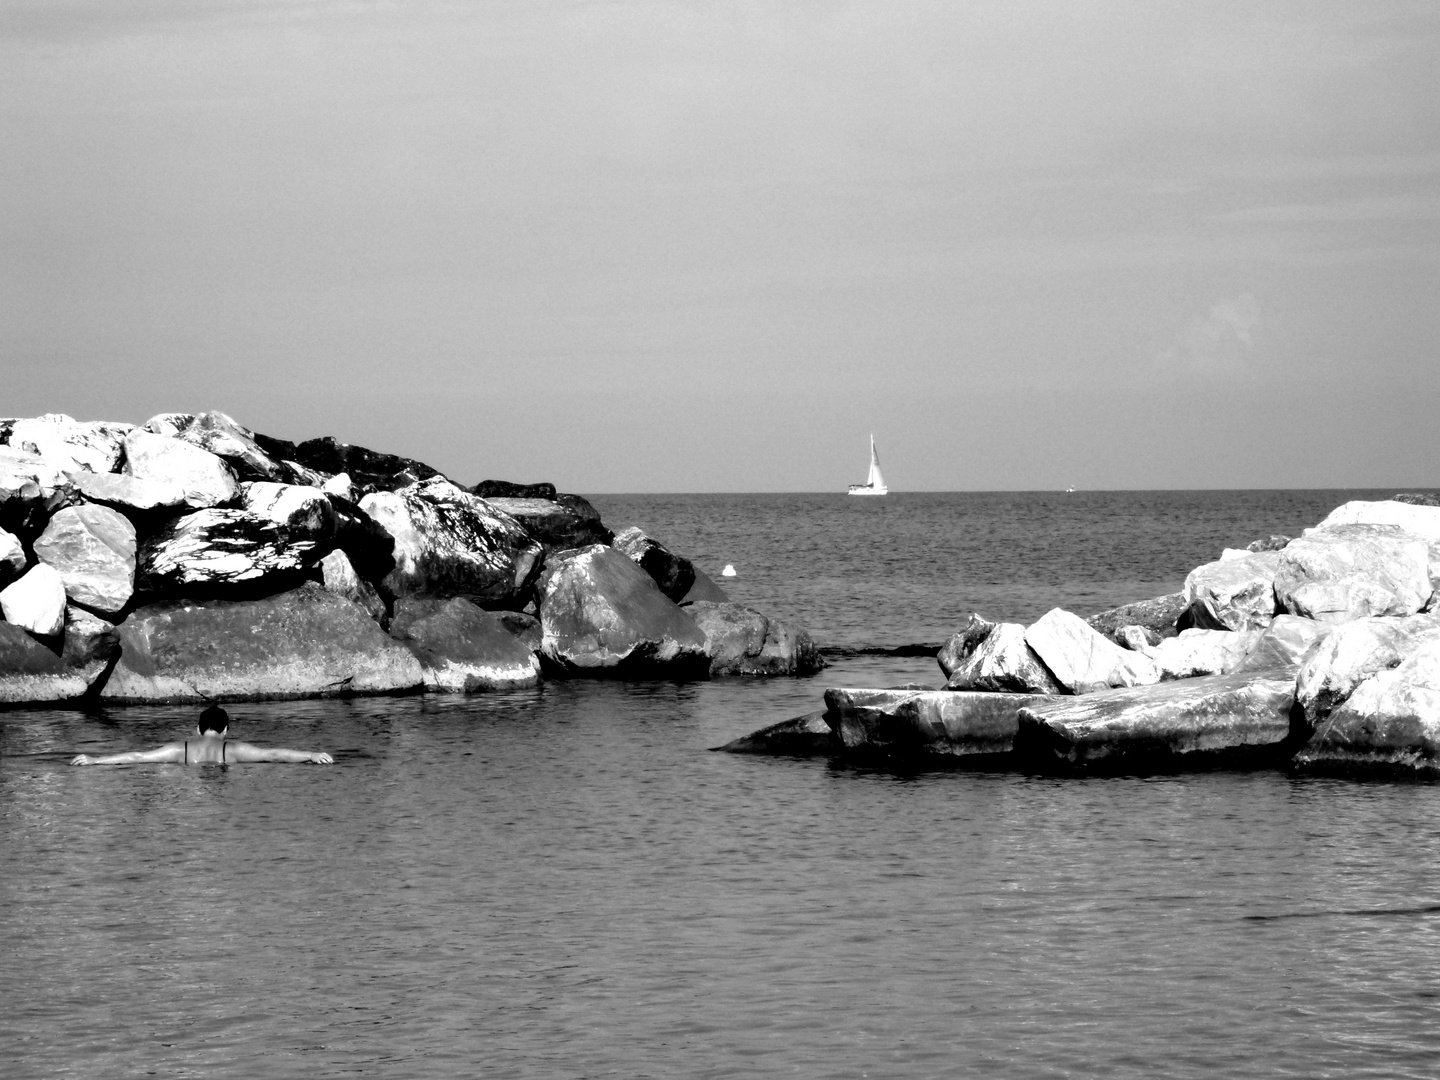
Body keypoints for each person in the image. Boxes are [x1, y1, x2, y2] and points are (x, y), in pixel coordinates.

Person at [70, 705, 334, 766]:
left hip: (189, 780)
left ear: (196, 730)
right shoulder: (232, 749)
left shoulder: (178, 748)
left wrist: (94, 760)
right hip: (224, 772)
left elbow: (137, 757)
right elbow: (274, 754)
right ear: (226, 730)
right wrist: (312, 755)